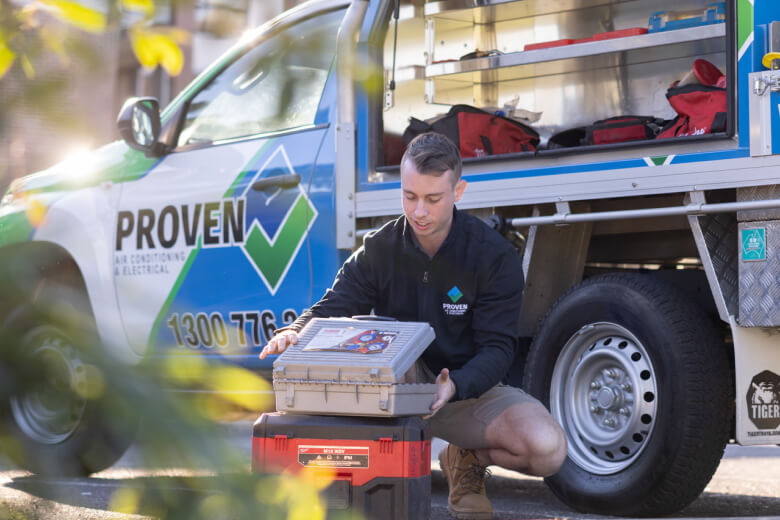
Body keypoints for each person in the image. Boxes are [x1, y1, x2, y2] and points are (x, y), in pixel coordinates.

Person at [260, 132, 566, 519]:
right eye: (409, 196)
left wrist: (457, 384)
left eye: (433, 199)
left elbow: (498, 350)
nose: (419, 211)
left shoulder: (493, 257)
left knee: (547, 448)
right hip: (396, 383)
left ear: (458, 191)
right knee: (386, 356)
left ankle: (464, 459)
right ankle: (377, 479)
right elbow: (335, 304)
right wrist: (294, 331)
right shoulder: (379, 248)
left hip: (463, 386)